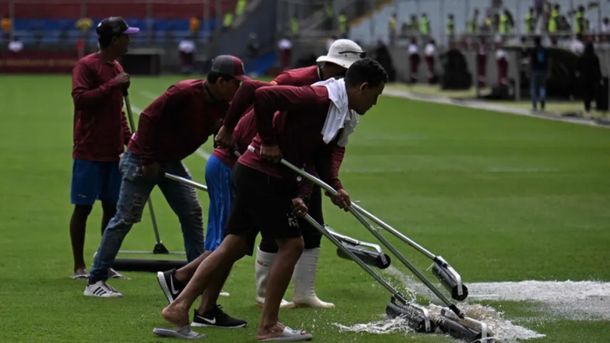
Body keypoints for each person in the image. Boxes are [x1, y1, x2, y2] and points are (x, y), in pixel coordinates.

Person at [160, 58, 388, 341]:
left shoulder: (336, 109)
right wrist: (267, 140)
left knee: (235, 243)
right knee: (292, 245)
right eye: (375, 96)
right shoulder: (319, 96)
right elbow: (263, 95)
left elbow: (316, 154)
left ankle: (179, 305)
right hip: (261, 174)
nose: (374, 104)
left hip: (254, 173)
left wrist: (332, 187)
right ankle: (268, 326)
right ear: (363, 87)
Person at [83, 55, 248, 298]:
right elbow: (148, 118)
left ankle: (197, 279)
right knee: (125, 218)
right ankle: (95, 280)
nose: (239, 88)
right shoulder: (183, 92)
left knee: (191, 212)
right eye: (237, 83)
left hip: (170, 161)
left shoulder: (223, 105)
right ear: (221, 81)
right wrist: (148, 160)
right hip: (142, 158)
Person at [69, 17, 137, 280]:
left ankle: (103, 262)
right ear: (114, 39)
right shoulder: (86, 66)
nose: (129, 40)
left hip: (112, 151)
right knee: (83, 207)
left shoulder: (116, 65)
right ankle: (78, 266)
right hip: (89, 149)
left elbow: (117, 110)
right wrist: (113, 85)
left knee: (111, 208)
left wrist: (129, 139)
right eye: (126, 36)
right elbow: (81, 99)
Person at [576, 43, 601, 113]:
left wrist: (578, 76)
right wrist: (599, 77)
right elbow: (598, 69)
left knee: (585, 93)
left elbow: (578, 68)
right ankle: (590, 104)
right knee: (591, 92)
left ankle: (587, 106)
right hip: (593, 78)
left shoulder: (582, 57)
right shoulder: (595, 57)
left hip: (584, 78)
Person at [530, 36, 548, 111]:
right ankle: (542, 103)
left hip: (535, 71)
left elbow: (531, 61)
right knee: (542, 87)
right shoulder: (544, 50)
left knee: (534, 88)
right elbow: (548, 60)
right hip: (543, 71)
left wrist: (529, 70)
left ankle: (534, 104)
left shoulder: (533, 50)